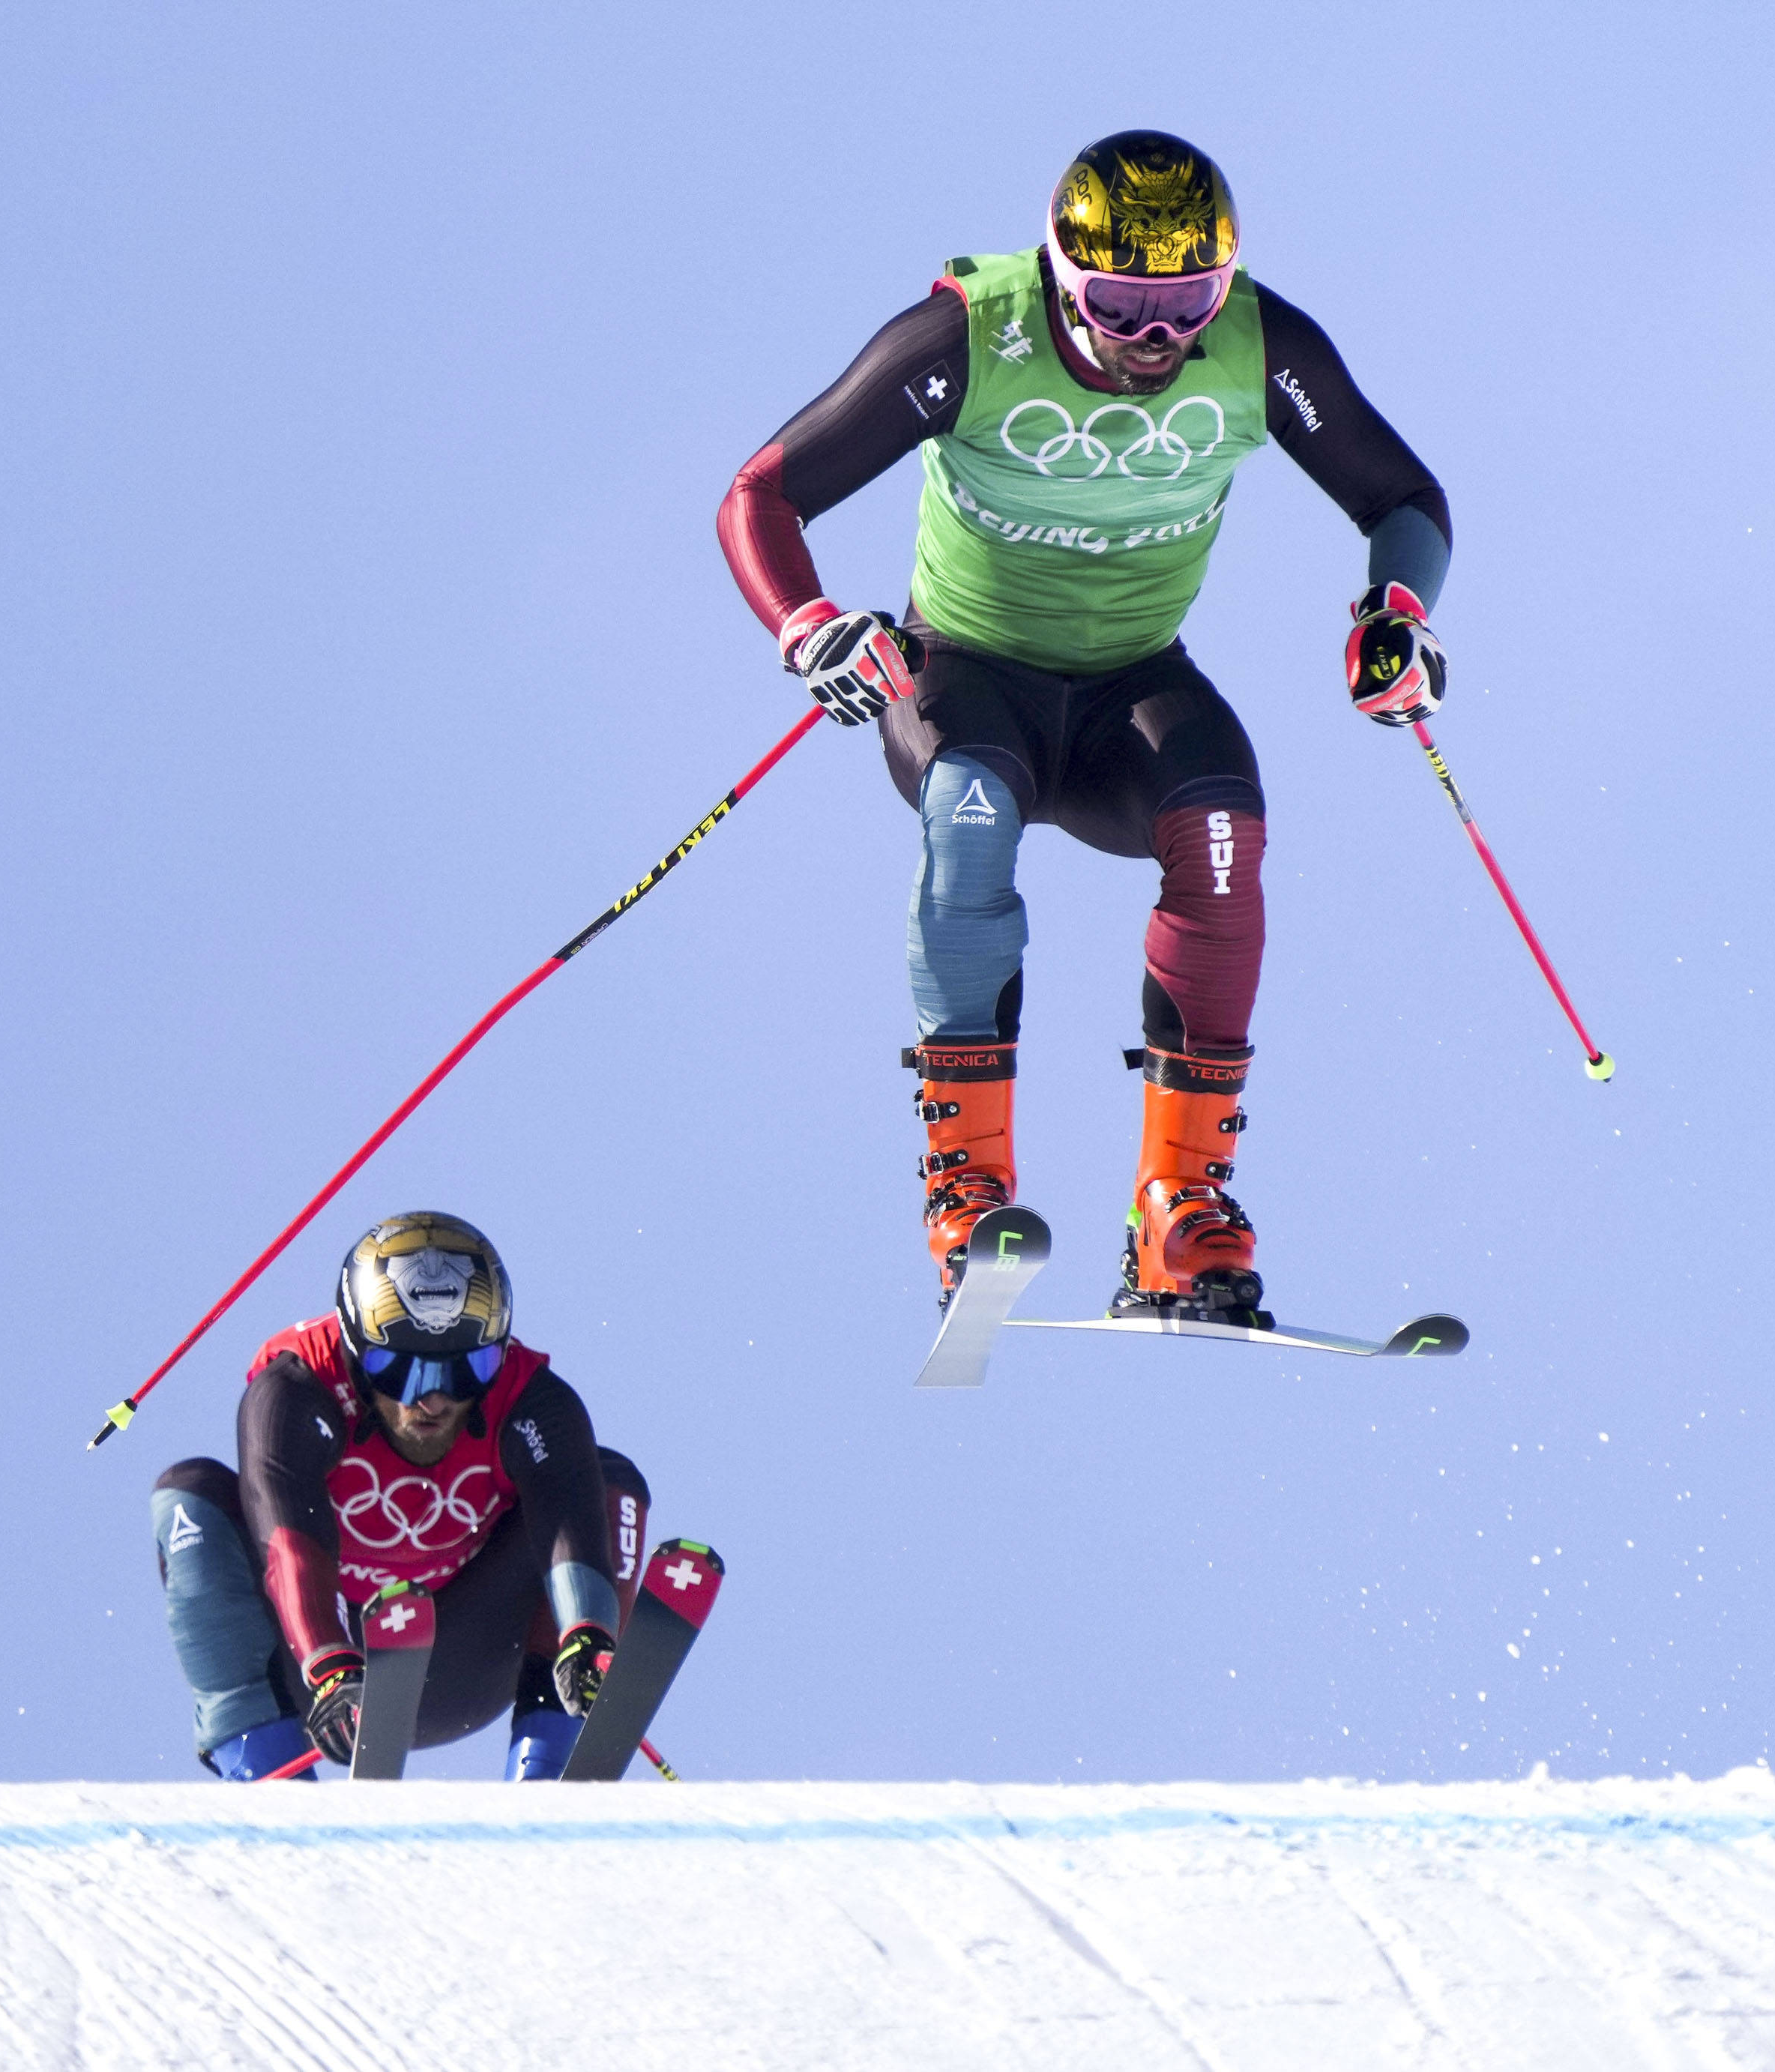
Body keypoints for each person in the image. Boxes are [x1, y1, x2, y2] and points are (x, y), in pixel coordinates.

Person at [718, 129, 1456, 1325]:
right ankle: (966, 1188)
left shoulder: (1266, 348)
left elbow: (1402, 496)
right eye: (1121, 304)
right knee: (970, 823)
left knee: (1224, 837)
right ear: (1064, 274)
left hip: (1131, 691)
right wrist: (808, 625)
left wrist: (1397, 613)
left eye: (1188, 307)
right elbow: (762, 491)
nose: (1158, 341)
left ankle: (1179, 1207)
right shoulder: (968, 341)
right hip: (963, 675)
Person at [146, 1212, 646, 1780]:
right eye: (398, 1368)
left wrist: (586, 1633)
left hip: (463, 1660)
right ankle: (271, 1775)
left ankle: (552, 1755)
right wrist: (330, 1661)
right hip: (320, 1672)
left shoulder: (532, 1399)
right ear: (356, 1347)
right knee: (189, 1492)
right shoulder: (296, 1389)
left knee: (607, 1478)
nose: (430, 1399)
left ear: (498, 1350)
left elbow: (569, 1522)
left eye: (465, 1370)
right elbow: (289, 1544)